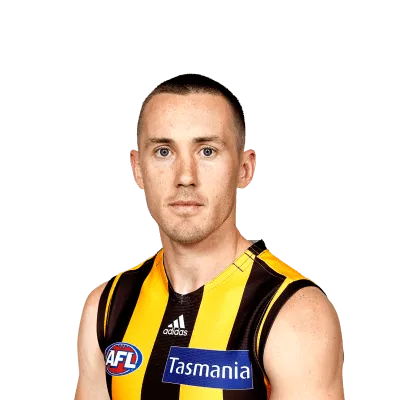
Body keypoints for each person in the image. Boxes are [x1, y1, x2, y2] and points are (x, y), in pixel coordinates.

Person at [75, 73, 344, 399]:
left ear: (245, 169)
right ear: (137, 169)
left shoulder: (296, 314)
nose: (185, 177)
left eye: (207, 151)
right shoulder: (105, 306)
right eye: (163, 151)